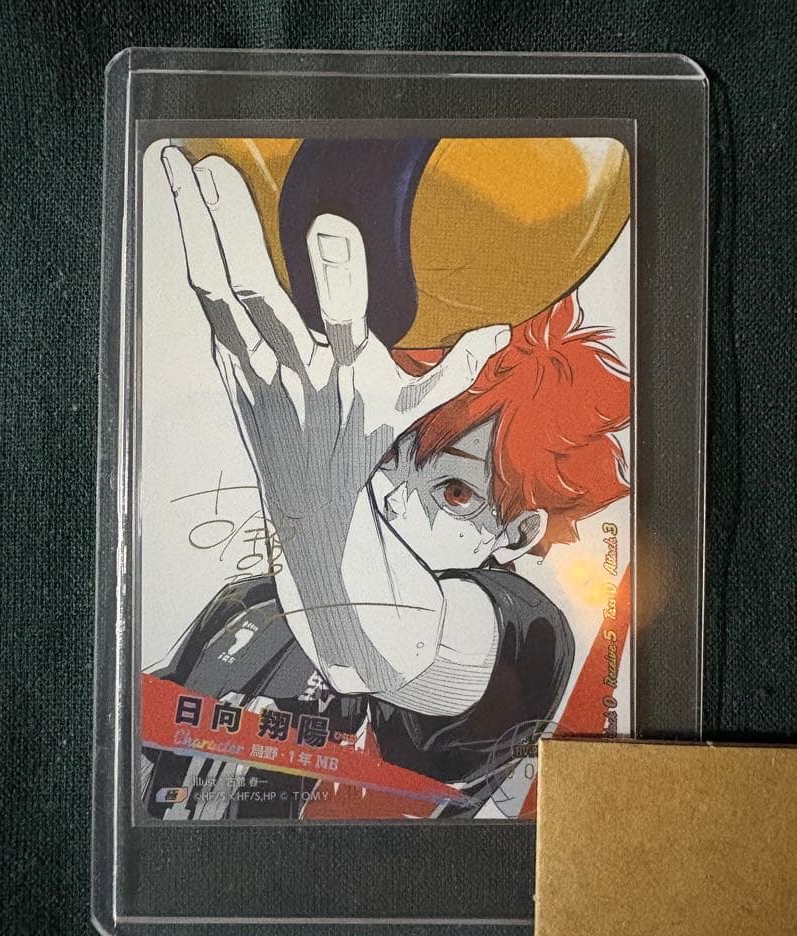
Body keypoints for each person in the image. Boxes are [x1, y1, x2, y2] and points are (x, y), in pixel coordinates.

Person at [143, 148, 629, 820]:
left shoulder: (521, 629)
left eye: (453, 492)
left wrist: (312, 494)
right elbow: (144, 750)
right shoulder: (248, 607)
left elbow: (375, 652)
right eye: (385, 453)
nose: (394, 496)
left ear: (515, 533)